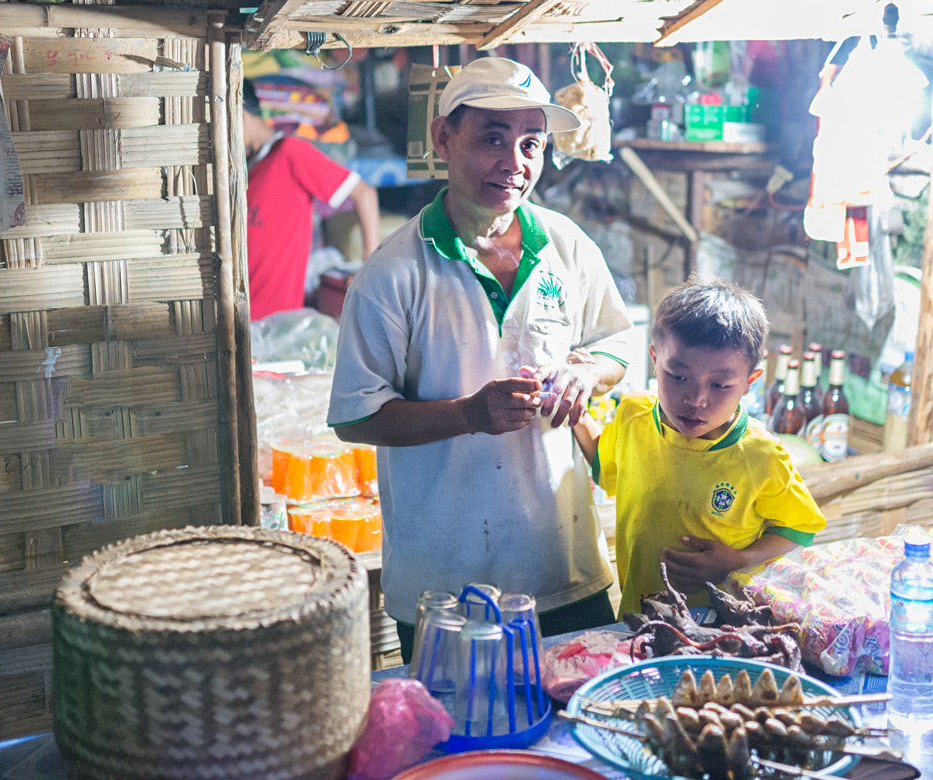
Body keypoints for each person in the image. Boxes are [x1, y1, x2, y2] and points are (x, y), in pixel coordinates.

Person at [327, 57, 635, 663]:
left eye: (531, 143)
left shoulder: (566, 245)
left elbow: (616, 344)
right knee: (460, 720)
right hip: (446, 583)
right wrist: (469, 414)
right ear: (444, 138)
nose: (514, 162)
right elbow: (356, 417)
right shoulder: (394, 273)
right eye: (493, 138)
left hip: (565, 568)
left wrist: (585, 372)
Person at [571, 275, 827, 618]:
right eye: (678, 377)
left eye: (720, 385)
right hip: (639, 620)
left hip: (724, 628)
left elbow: (799, 529)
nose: (695, 399)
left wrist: (738, 560)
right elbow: (605, 467)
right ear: (655, 359)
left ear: (749, 382)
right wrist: (576, 411)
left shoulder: (760, 455)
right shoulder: (633, 416)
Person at [243, 81, 379, 320]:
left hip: (274, 318)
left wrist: (370, 266)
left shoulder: (289, 152)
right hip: (243, 313)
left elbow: (364, 193)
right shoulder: (248, 167)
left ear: (239, 115)